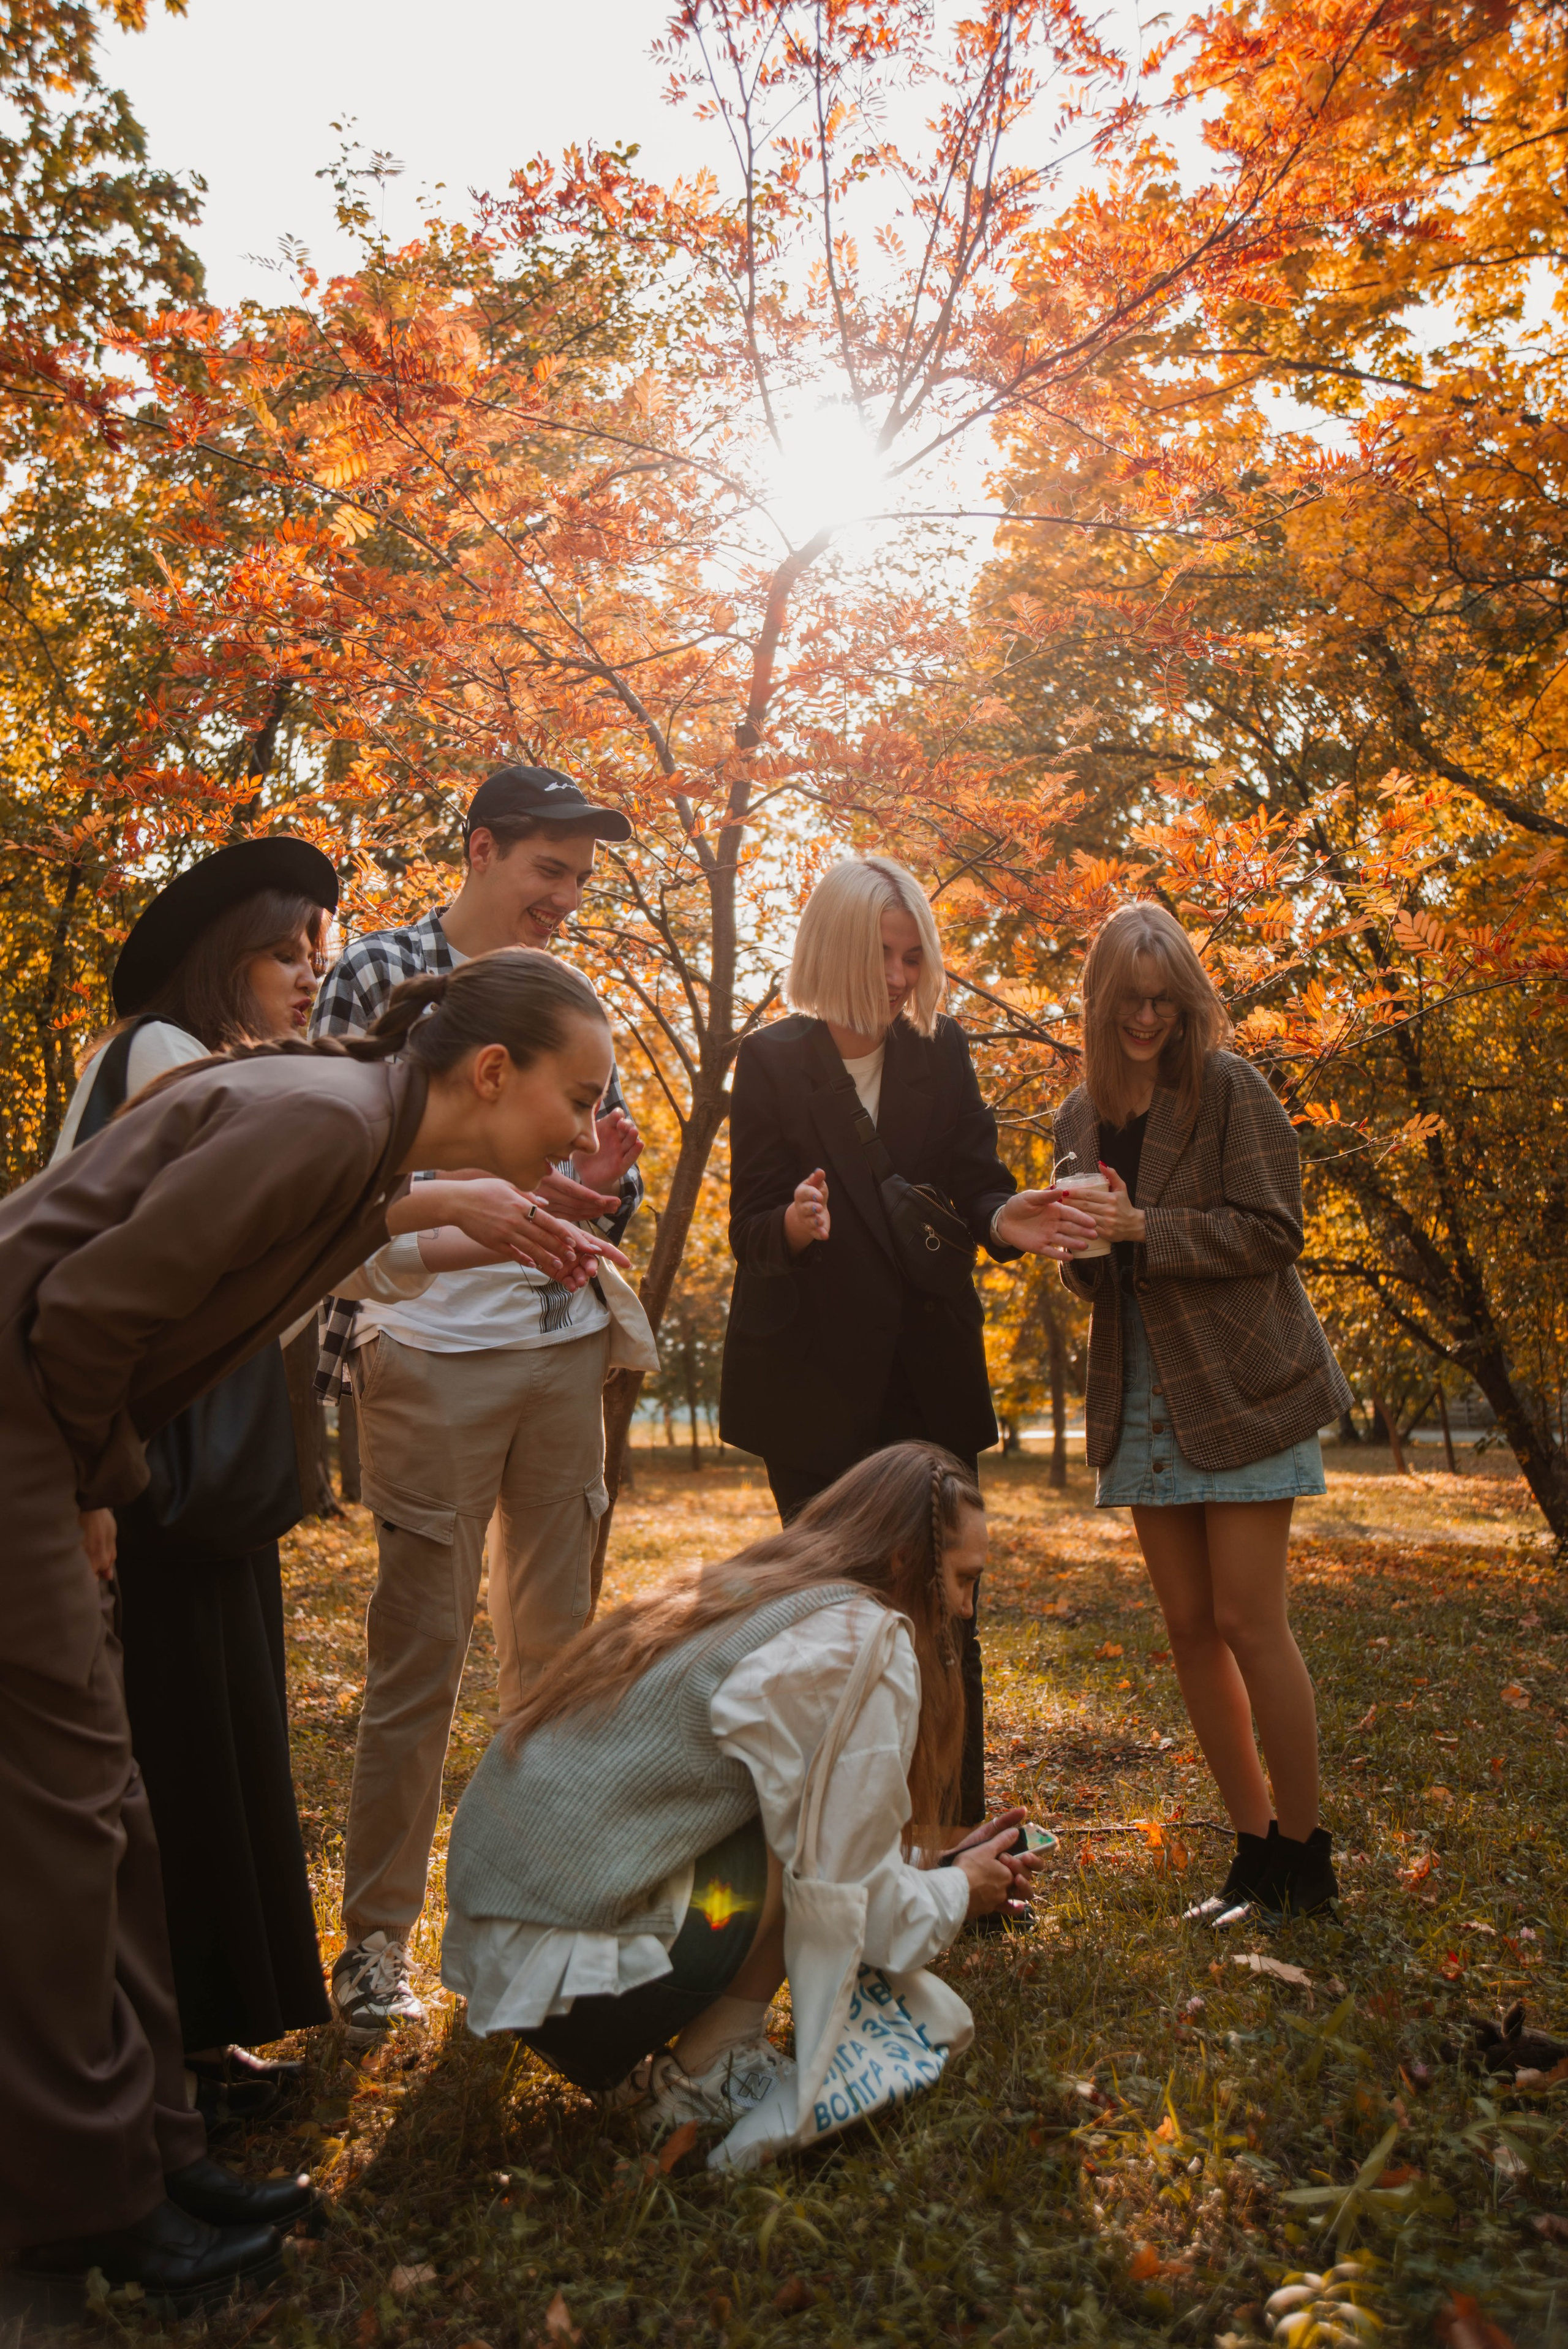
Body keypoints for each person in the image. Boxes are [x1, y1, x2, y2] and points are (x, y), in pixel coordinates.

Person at [0, 948, 625, 2307]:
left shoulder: (351, 1128)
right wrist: (97, 1482)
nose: (588, 1132)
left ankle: (154, 2158)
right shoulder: (319, 1120)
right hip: (20, 1423)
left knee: (111, 1814)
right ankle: (76, 2208)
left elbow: (359, 1212)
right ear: (490, 1073)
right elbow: (80, 1313)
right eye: (577, 1100)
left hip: (45, 1432)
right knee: (62, 1832)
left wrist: (459, 1196)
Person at [309, 762, 652, 2045]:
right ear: (481, 850)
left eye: (578, 878)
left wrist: (601, 1187)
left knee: (555, 1655)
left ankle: (531, 1925)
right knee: (421, 1653)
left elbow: (587, 1188)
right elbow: (341, 1182)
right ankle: (377, 1942)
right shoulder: (379, 978)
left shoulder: (577, 1007)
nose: (562, 897)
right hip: (422, 1358)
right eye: (545, 870)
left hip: (558, 1353)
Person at [442, 1441, 1039, 2163]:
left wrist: (934, 1860)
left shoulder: (766, 1592)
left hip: (513, 1953)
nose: (966, 1608)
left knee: (797, 1813)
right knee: (796, 1835)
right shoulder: (861, 1640)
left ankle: (698, 2051)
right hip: (577, 1980)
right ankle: (710, 2070)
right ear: (906, 1562)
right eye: (962, 1579)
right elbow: (851, 1903)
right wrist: (958, 1890)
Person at [52, 837, 341, 2124]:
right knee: (185, 1742)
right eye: (286, 953)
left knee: (209, 1735)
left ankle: (202, 2043)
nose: (306, 979)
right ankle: (180, 2054)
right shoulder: (173, 1061)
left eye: (316, 958)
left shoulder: (153, 1060)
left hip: (189, 1464)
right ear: (225, 960)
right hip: (165, 1465)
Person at [718, 856, 1080, 1827]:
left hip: (928, 1379)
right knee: (830, 1624)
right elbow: (746, 1222)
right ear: (833, 948)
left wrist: (1009, 1219)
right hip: (810, 1388)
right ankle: (843, 1849)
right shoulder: (770, 1059)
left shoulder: (940, 1048)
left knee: (949, 1619)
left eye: (913, 954)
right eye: (883, 952)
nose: (900, 974)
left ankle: (957, 1839)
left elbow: (976, 1180)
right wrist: (790, 1225)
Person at [1050, 902, 1354, 1925]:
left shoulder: (1228, 1089)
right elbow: (1098, 1283)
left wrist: (1146, 1224)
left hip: (1240, 1384)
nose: (1147, 1021)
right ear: (1100, 1002)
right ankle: (1254, 1854)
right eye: (1130, 1003)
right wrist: (1084, 1256)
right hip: (1138, 1391)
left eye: (1164, 1002)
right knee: (1188, 1630)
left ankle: (1307, 1861)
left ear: (1187, 1001)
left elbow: (1275, 1229)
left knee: (1246, 1620)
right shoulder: (1074, 1119)